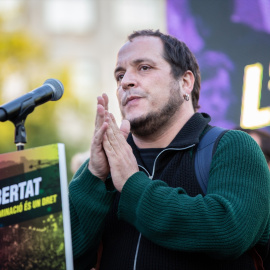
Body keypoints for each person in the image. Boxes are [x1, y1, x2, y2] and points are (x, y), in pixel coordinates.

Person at [68, 29, 270, 270]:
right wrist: (93, 177)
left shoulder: (232, 147)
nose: (126, 82)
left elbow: (228, 231)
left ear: (185, 82)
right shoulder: (103, 168)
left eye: (144, 67)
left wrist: (133, 186)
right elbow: (64, 258)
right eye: (120, 75)